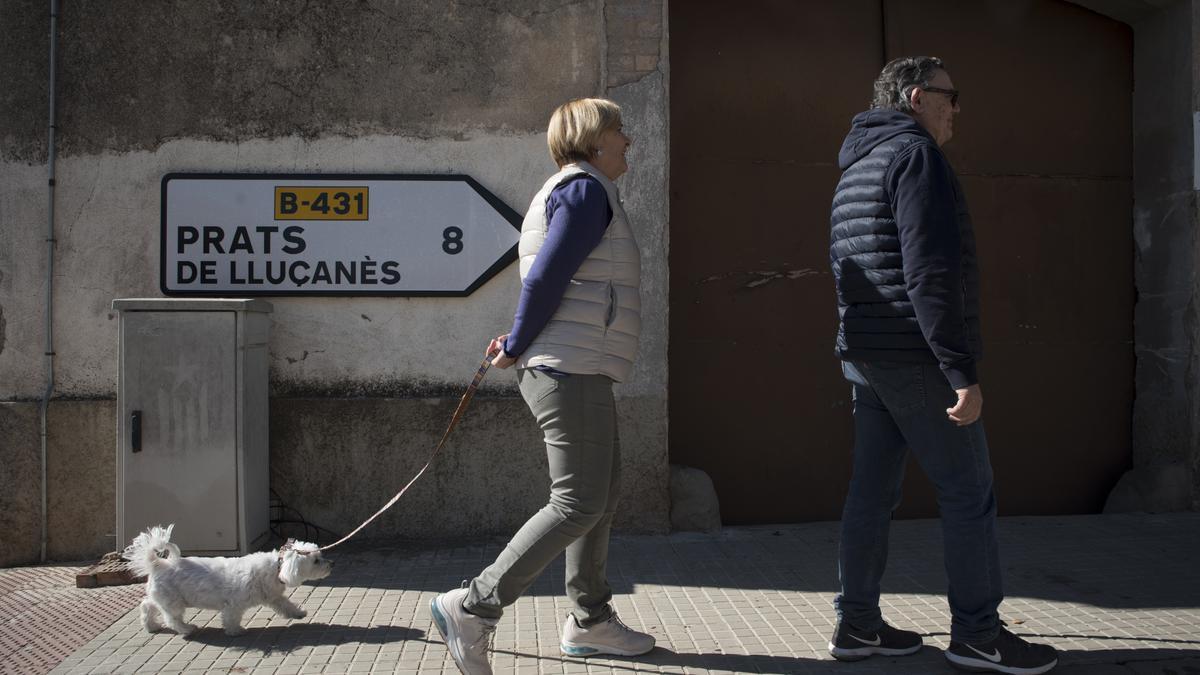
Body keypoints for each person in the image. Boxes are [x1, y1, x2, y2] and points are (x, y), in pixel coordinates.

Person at [826, 56, 1059, 674]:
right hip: (914, 353)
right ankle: (979, 634)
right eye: (950, 96)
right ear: (915, 96)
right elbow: (928, 270)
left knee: (870, 494)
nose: (957, 109)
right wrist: (959, 370)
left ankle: (857, 625)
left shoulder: (858, 163)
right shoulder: (916, 157)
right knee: (968, 493)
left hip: (868, 353)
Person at [429, 97, 654, 675]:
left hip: (579, 364)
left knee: (599, 499)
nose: (628, 140)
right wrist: (521, 341)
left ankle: (591, 621)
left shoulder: (580, 190)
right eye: (619, 130)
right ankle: (474, 606)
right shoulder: (583, 190)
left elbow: (557, 279)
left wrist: (518, 339)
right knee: (578, 502)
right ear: (593, 139)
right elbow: (548, 276)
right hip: (567, 368)